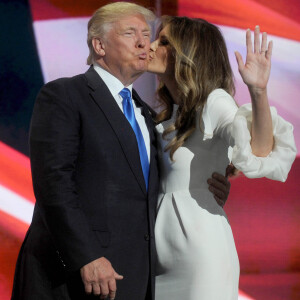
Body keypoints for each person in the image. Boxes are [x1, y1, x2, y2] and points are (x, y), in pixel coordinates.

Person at [11, 3, 231, 300]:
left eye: (145, 34)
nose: (144, 43)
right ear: (99, 45)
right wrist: (86, 257)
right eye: (130, 33)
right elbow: (53, 185)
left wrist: (205, 185)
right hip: (71, 278)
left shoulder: (148, 115)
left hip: (134, 277)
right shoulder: (64, 95)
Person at [147, 16, 296, 299]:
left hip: (200, 256)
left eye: (164, 41)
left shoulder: (214, 102)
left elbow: (258, 150)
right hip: (156, 260)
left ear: (187, 53)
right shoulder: (166, 115)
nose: (152, 46)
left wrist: (258, 91)